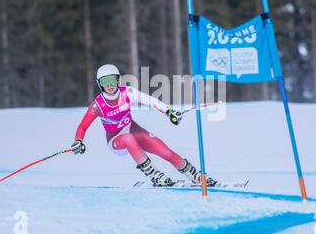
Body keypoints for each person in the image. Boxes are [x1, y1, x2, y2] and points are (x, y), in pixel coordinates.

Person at [71, 64, 217, 187]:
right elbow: (82, 127)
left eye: (112, 80)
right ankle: (154, 175)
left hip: (134, 131)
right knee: (128, 138)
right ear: (99, 84)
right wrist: (78, 140)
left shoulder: (126, 92)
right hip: (116, 140)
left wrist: (169, 112)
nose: (109, 85)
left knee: (164, 151)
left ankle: (195, 176)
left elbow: (150, 101)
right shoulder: (98, 105)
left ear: (118, 80)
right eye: (104, 81)